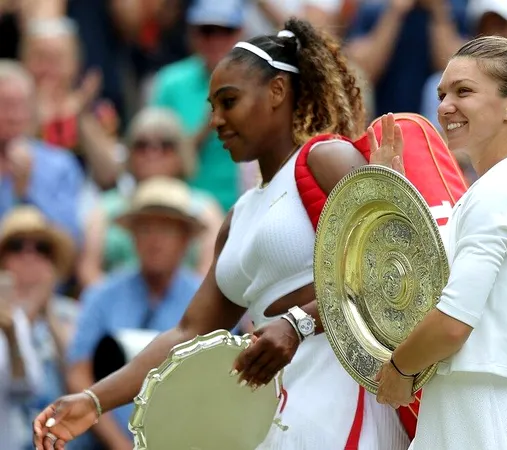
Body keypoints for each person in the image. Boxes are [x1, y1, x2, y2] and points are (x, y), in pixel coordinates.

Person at [32, 18, 410, 450]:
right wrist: (94, 399)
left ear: (276, 93)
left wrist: (298, 323)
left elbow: (392, 265)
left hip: (346, 396)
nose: (215, 120)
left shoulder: (326, 159)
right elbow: (186, 334)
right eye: (212, 106)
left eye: (228, 101)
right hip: (276, 414)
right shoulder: (237, 216)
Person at [374, 35, 507, 450]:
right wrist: (392, 195)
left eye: (464, 91)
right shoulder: (503, 185)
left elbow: (453, 323)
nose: (444, 106)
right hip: (472, 416)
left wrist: (399, 372)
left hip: (483, 424)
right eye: (441, 94)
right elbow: (432, 279)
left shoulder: (500, 191)